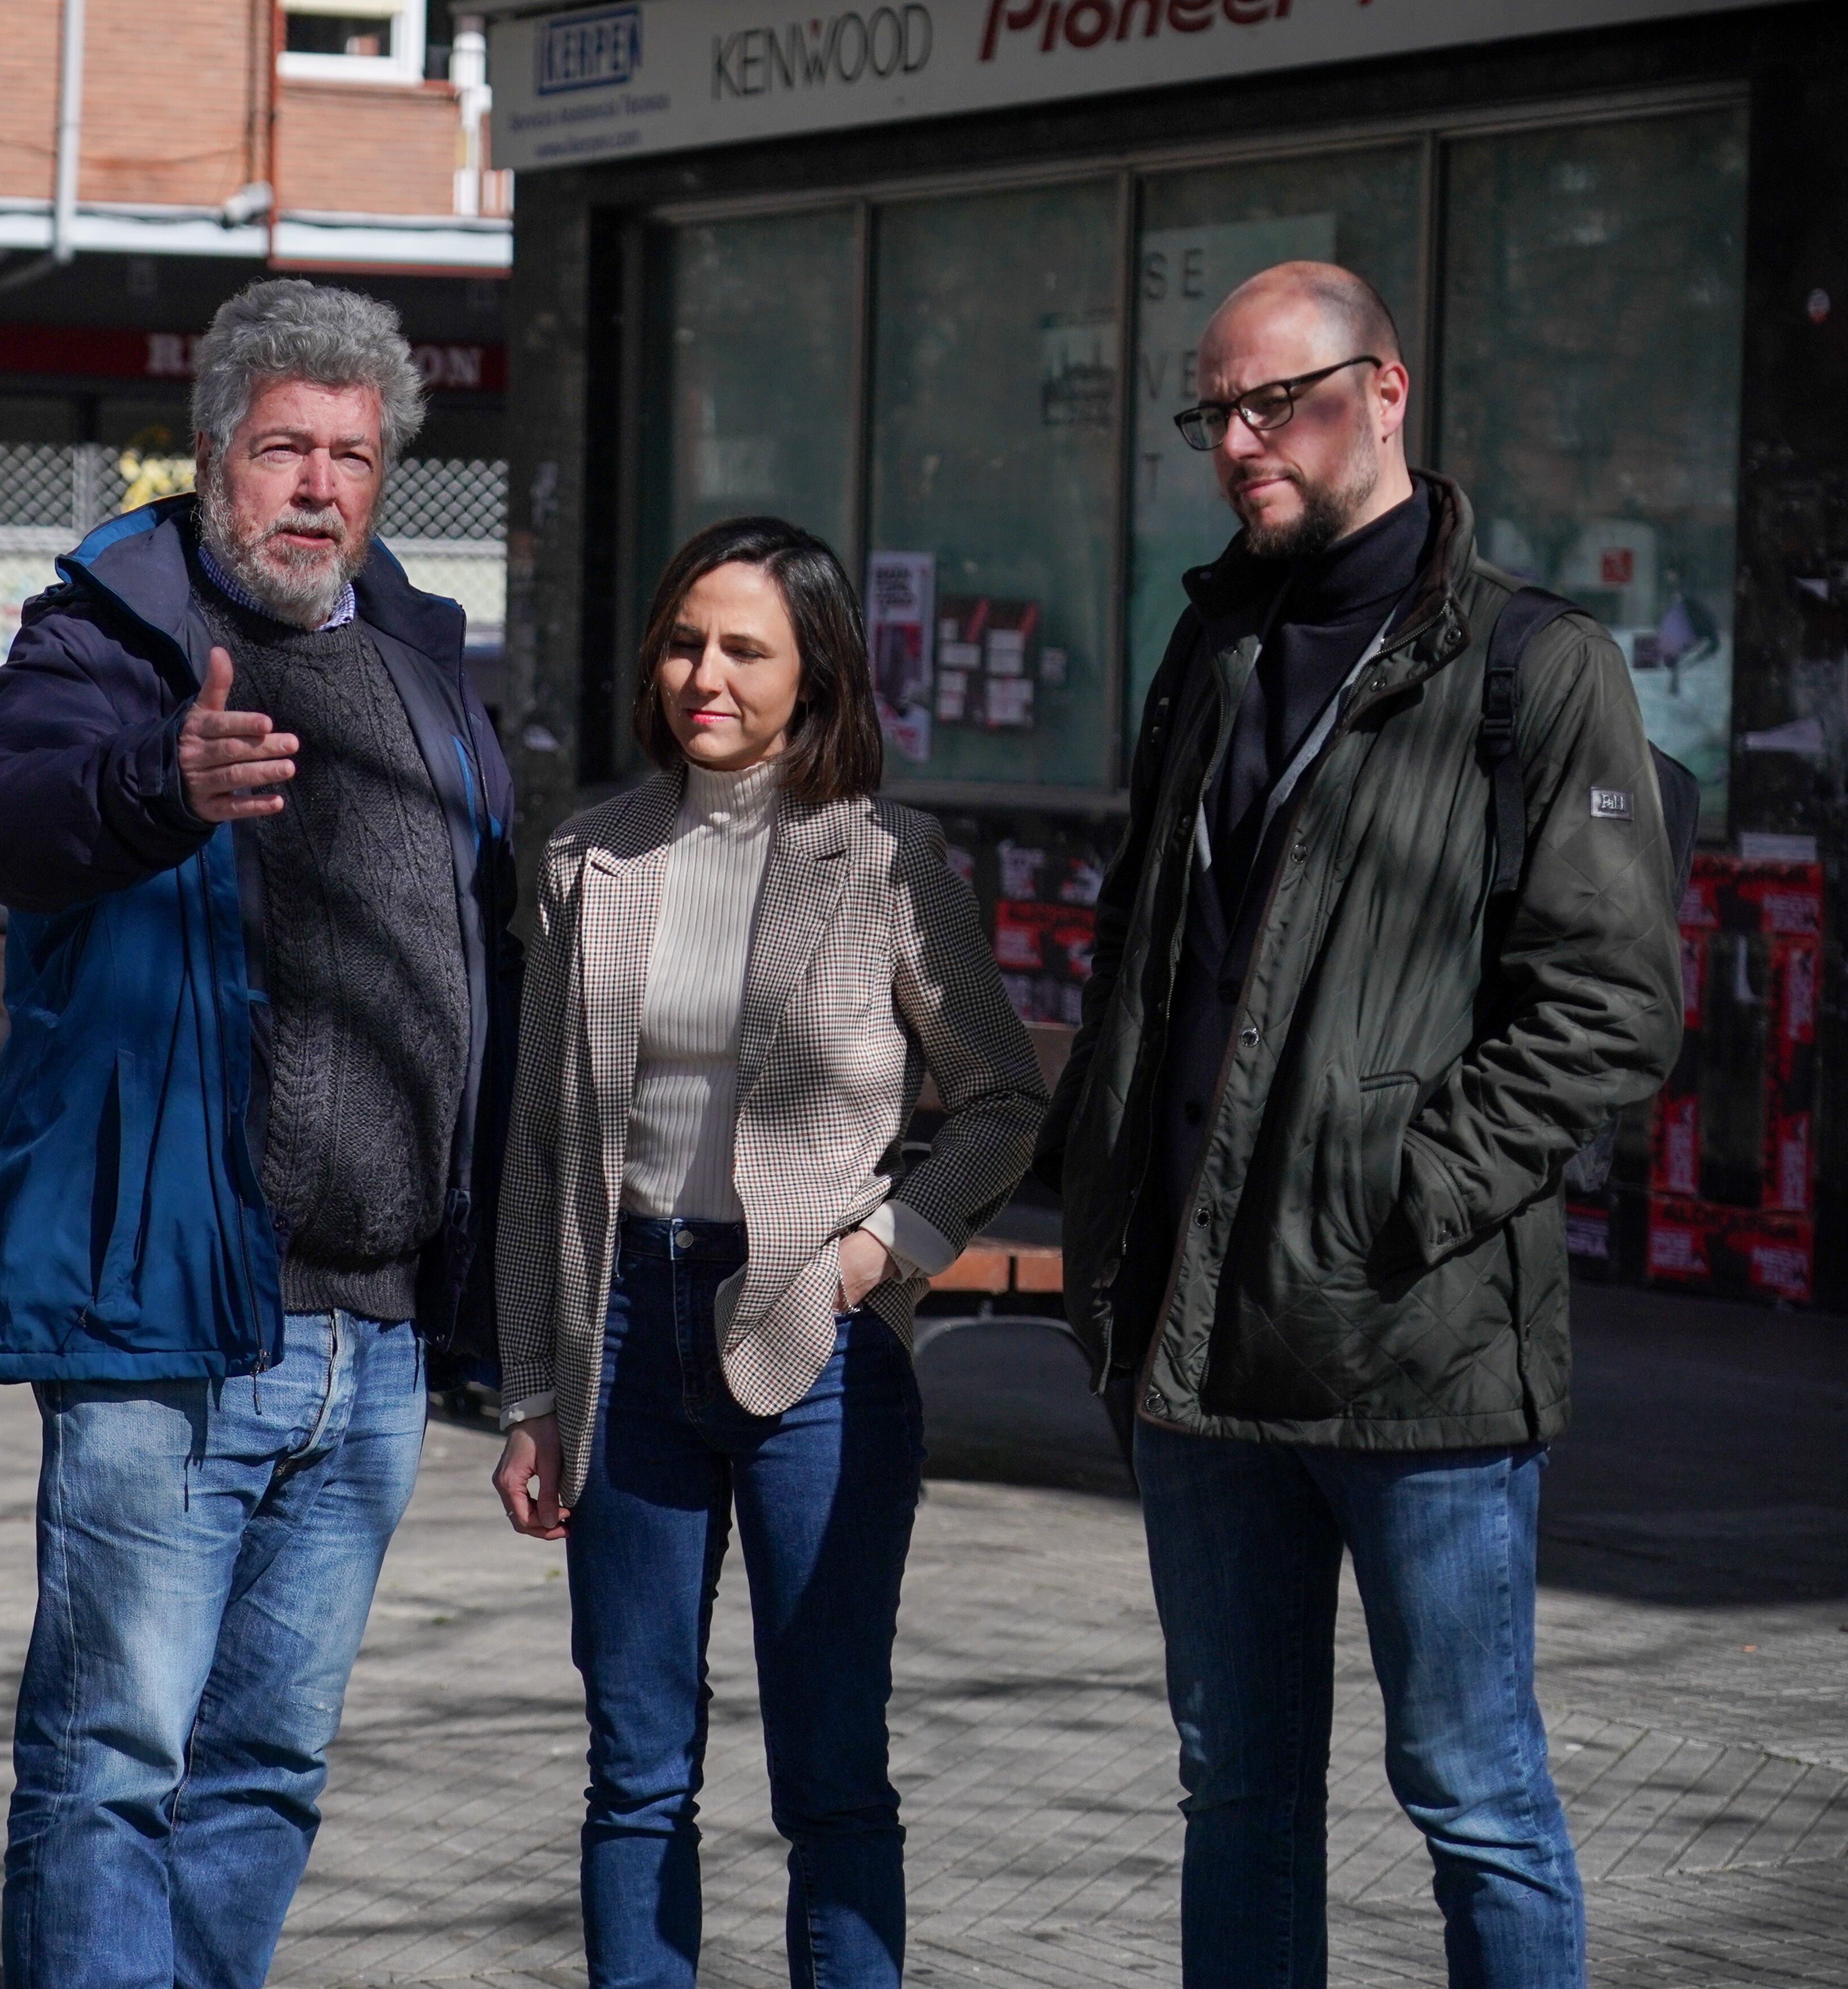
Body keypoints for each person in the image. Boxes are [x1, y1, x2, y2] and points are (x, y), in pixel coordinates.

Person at [1038, 262, 1683, 1989]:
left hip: (1416, 1356)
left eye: (1277, 403)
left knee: (1471, 1793)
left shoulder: (1534, 669)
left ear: (1383, 392)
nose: (1239, 443)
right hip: (1198, 1352)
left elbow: (1611, 1005)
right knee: (1235, 1791)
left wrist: (1397, 1195)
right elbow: (1151, 952)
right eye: (1214, 413)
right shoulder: (1214, 641)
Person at [0, 278, 517, 1989]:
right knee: (117, 1757)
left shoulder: (416, 652)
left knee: (271, 1761)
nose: (319, 485)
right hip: (171, 1313)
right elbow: (4, 820)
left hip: (382, 1330)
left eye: (351, 453)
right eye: (284, 449)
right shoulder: (110, 629)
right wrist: (153, 784)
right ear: (211, 457)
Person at [492, 517, 1046, 1988]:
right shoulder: (584, 856)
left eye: (745, 648)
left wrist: (879, 1252)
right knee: (633, 1764)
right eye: (684, 641)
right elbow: (537, 1147)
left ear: (814, 677)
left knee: (830, 1766)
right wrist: (528, 1392)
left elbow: (1000, 1101)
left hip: (815, 1335)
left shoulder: (882, 860)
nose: (705, 674)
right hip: (619, 1330)